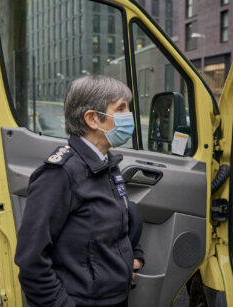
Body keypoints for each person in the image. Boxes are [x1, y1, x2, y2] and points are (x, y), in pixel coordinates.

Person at [15, 75, 144, 307]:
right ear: (93, 119)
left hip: (116, 297)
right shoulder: (59, 175)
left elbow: (117, 221)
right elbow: (31, 261)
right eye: (121, 108)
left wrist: (133, 257)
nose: (129, 115)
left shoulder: (108, 165)